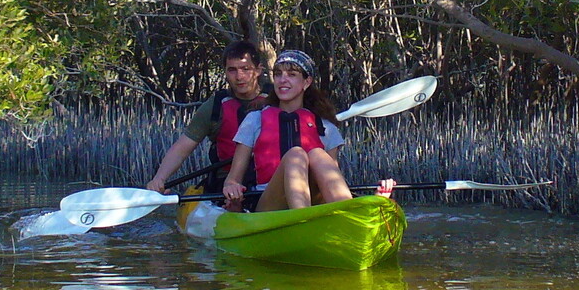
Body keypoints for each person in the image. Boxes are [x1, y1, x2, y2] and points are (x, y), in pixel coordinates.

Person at [222, 50, 395, 211]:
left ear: (307, 82)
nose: (282, 80)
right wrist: (232, 188)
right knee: (296, 154)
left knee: (317, 154)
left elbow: (332, 180)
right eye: (278, 74)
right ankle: (302, 218)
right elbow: (233, 179)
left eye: (291, 75)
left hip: (314, 200)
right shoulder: (255, 120)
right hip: (268, 201)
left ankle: (350, 213)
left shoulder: (325, 127)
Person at [145, 40, 269, 194]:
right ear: (224, 72)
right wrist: (159, 179)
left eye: (245, 69)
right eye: (232, 70)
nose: (239, 76)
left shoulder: (277, 99)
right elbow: (181, 149)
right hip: (225, 184)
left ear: (258, 70)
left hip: (269, 181)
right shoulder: (215, 106)